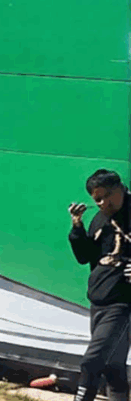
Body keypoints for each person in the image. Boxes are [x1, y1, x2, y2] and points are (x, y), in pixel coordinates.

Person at [68, 169, 131, 401]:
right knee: (113, 367)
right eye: (97, 200)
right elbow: (85, 257)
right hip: (98, 301)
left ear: (120, 188)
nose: (103, 203)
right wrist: (77, 228)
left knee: (92, 362)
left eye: (107, 196)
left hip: (123, 304)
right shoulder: (100, 218)